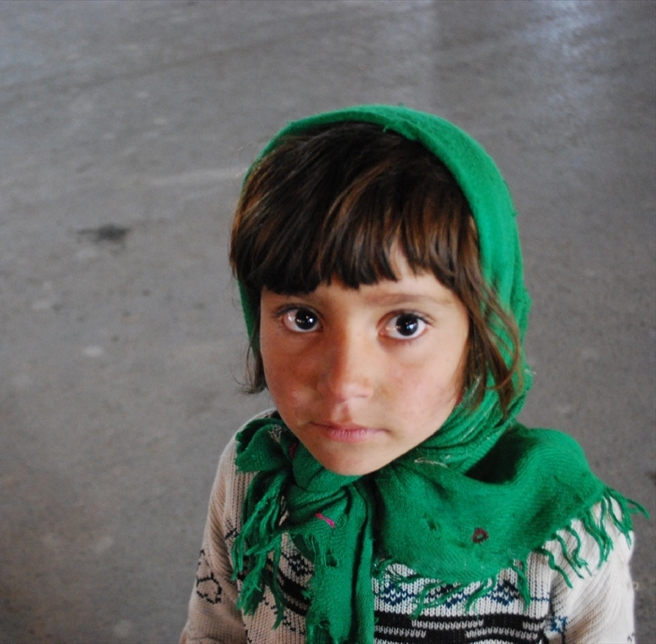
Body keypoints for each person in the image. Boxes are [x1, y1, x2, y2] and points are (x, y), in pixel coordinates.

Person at [181, 105, 646, 644]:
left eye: (404, 323)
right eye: (302, 318)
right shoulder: (253, 478)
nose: (343, 383)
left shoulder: (561, 546)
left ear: (484, 332)